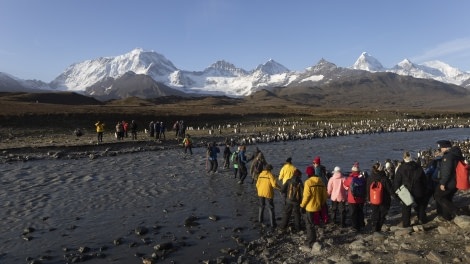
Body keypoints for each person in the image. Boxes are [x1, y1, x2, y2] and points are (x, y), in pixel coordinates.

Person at [394, 151, 428, 227]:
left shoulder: (401, 168)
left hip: (406, 190)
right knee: (421, 204)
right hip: (418, 188)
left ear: (404, 158)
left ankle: (406, 224)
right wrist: (424, 188)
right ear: (411, 157)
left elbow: (397, 181)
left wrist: (397, 194)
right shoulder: (417, 166)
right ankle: (422, 219)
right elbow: (424, 179)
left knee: (406, 208)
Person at [433, 140, 464, 220]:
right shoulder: (456, 154)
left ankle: (455, 210)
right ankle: (447, 216)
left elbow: (447, 171)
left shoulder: (448, 157)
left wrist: (443, 183)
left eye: (441, 147)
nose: (440, 149)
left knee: (438, 196)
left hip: (449, 182)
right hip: (456, 180)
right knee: (447, 197)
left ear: (446, 147)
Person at [300, 164, 328, 248]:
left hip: (310, 206)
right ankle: (313, 238)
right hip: (318, 205)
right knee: (313, 224)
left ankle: (311, 241)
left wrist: (302, 206)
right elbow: (324, 195)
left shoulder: (308, 182)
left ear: (308, 174)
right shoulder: (320, 181)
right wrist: (321, 203)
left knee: (309, 224)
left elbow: (306, 196)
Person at [366, 162, 396, 232]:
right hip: (384, 199)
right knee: (382, 214)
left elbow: (367, 189)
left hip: (373, 198)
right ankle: (379, 228)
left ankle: (374, 227)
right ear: (381, 169)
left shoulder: (370, 177)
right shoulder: (384, 178)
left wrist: (369, 198)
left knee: (375, 213)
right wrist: (397, 198)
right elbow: (390, 189)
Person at [256, 164, 281, 229]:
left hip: (260, 192)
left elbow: (257, 184)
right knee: (270, 208)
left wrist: (260, 190)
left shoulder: (260, 174)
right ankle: (273, 224)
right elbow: (274, 185)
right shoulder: (270, 175)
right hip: (268, 193)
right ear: (270, 169)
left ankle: (260, 220)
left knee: (261, 206)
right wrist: (280, 188)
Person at [343, 162, 366, 232]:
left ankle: (355, 226)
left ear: (352, 171)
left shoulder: (350, 179)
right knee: (360, 212)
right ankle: (361, 225)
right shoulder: (362, 179)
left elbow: (345, 184)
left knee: (353, 213)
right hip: (361, 198)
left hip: (352, 199)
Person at [279, 168, 303, 233]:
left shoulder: (288, 181)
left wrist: (282, 192)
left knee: (286, 213)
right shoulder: (300, 182)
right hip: (297, 201)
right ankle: (298, 228)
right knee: (297, 214)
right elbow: (302, 192)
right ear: (299, 175)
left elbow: (283, 189)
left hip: (289, 200)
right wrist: (302, 201)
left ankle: (283, 227)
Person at [312, 156, 330, 223]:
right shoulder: (322, 168)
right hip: (325, 185)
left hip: (320, 186)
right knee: (323, 201)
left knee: (320, 202)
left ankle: (322, 216)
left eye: (314, 162)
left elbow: (316, 178)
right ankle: (325, 216)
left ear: (316, 163)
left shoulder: (317, 169)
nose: (313, 164)